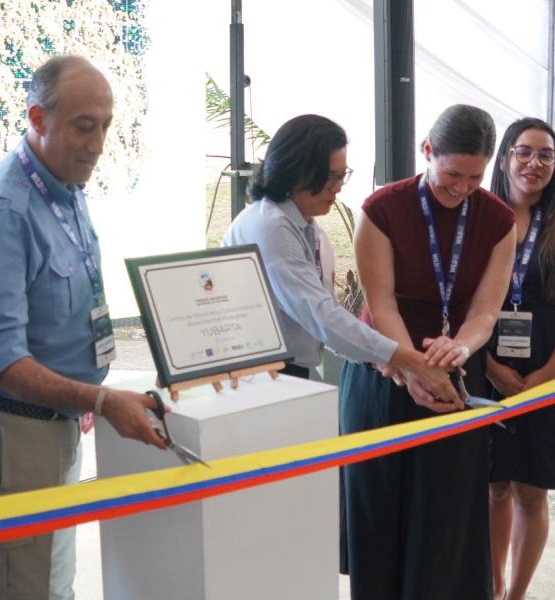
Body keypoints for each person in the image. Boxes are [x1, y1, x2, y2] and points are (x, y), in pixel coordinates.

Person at [0, 55, 167, 600]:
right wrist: (100, 399)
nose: (98, 144)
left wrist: (84, 396)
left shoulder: (65, 186)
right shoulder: (3, 211)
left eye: (106, 125)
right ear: (38, 119)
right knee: (22, 587)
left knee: (48, 581)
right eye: (83, 126)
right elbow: (2, 362)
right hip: (14, 427)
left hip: (56, 417)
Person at [340, 104, 517, 599]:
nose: (462, 189)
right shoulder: (382, 209)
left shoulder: (498, 219)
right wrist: (413, 367)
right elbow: (382, 304)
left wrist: (459, 347)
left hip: (453, 374)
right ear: (427, 151)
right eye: (452, 175)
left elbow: (485, 312)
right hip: (383, 371)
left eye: (475, 178)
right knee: (380, 511)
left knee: (447, 517)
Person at [222, 114, 459, 402]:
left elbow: (325, 319)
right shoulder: (268, 226)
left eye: (342, 175)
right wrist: (412, 361)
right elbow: (321, 317)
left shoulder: (311, 230)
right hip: (252, 381)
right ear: (294, 170)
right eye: (330, 177)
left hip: (285, 375)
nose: (338, 187)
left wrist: (381, 359)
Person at [485, 118, 555, 600]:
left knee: (532, 488)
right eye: (525, 151)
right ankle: (492, 588)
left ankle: (516, 595)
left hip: (546, 366)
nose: (535, 163)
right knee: (493, 484)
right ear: (506, 156)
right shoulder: (481, 215)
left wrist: (548, 375)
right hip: (486, 359)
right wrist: (488, 366)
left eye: (546, 155)